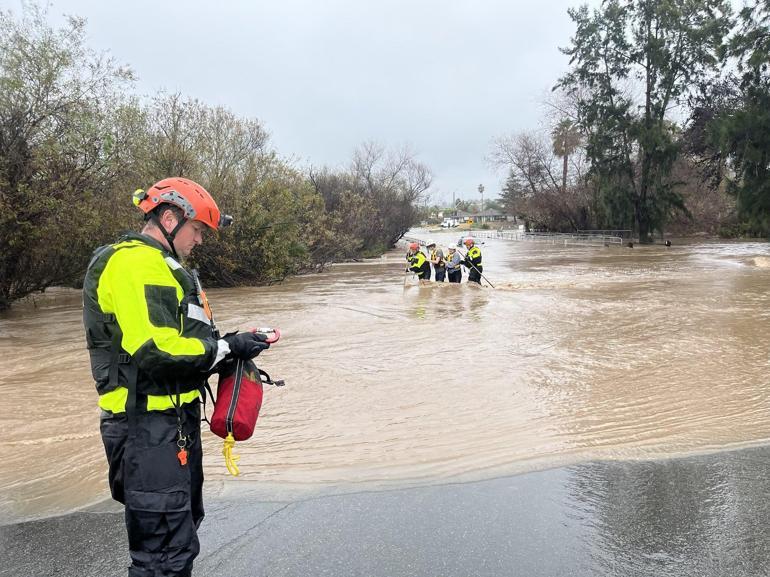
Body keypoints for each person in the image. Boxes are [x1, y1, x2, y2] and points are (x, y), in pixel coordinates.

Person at [82, 177, 270, 577]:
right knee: (162, 555)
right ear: (169, 217)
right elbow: (157, 351)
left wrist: (236, 344)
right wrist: (227, 347)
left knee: (179, 540)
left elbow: (184, 345)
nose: (200, 240)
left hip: (171, 426)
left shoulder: (164, 269)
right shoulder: (134, 263)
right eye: (198, 229)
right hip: (147, 429)